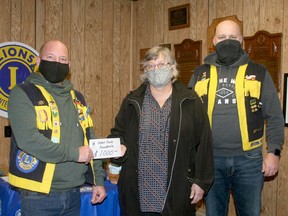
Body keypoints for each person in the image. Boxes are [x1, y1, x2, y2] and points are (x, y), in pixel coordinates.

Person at [188, 20, 284, 216]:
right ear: (214, 41)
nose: (227, 41)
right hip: (210, 160)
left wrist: (274, 153)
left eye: (233, 37)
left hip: (249, 161)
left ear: (241, 39)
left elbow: (274, 115)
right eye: (222, 37)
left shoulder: (258, 72)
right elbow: (187, 117)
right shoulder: (200, 73)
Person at [108, 46, 214, 216]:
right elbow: (117, 132)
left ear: (172, 68)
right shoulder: (131, 101)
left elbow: (204, 144)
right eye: (150, 65)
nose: (156, 69)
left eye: (161, 64)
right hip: (138, 190)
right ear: (145, 71)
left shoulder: (191, 101)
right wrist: (118, 146)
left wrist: (201, 181)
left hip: (177, 189)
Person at [8, 40, 107, 216]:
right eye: (50, 57)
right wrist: (74, 154)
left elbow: (90, 138)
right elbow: (28, 139)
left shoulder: (77, 98)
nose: (56, 63)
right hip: (38, 197)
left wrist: (98, 180)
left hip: (73, 194)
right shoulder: (23, 93)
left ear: (69, 65)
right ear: (38, 61)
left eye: (62, 59)